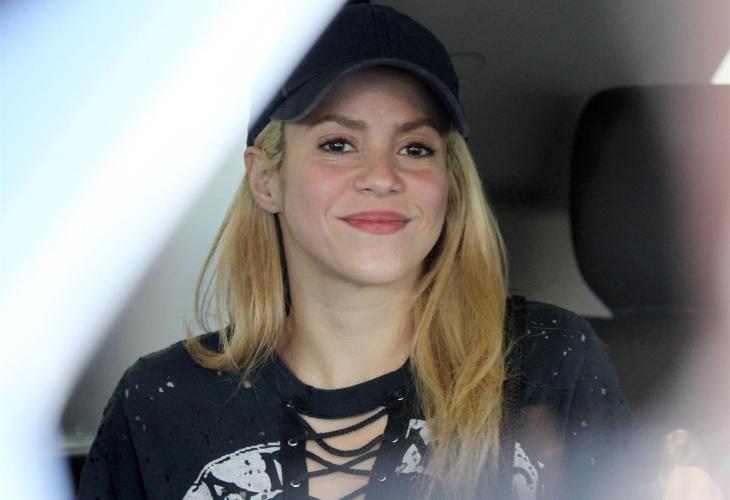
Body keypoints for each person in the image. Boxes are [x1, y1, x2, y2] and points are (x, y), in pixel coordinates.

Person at [77, 4, 633, 499]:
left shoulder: (547, 365)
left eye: (415, 148)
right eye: (338, 144)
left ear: (448, 182)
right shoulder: (160, 402)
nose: (382, 177)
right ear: (266, 179)